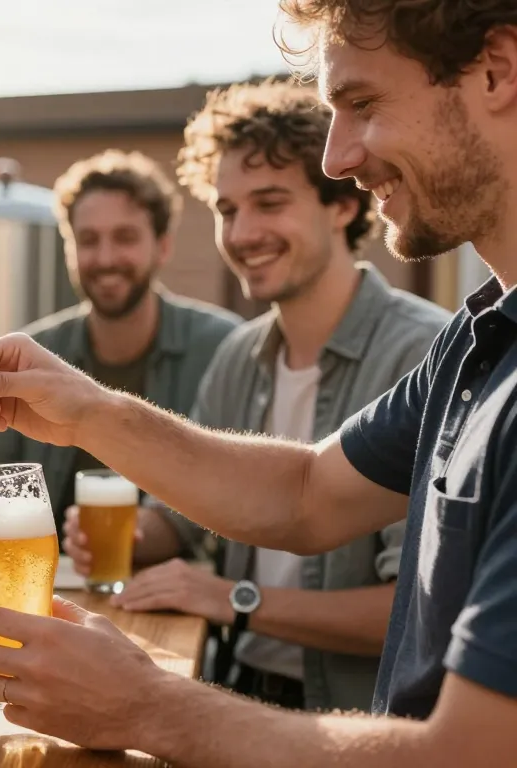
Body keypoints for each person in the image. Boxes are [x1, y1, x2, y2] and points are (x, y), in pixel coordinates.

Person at [0, 1, 517, 762]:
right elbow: (306, 495)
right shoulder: (477, 336)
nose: (337, 156)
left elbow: (472, 755)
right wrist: (86, 411)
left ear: (497, 70)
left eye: (362, 104)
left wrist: (147, 707)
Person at [62, 81, 450, 712]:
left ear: (342, 206)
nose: (242, 233)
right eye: (226, 209)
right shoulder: (238, 359)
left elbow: (416, 611)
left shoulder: (423, 355)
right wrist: (133, 537)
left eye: (269, 203)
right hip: (234, 691)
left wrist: (233, 599)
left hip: (355, 720)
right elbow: (190, 523)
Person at [0, 149, 240, 545]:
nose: (105, 258)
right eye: (88, 240)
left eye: (125, 238)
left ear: (163, 247)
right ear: (69, 249)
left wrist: (138, 539)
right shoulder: (36, 351)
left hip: (173, 595)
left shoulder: (223, 346)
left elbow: (236, 489)